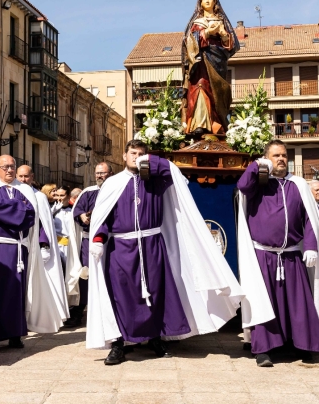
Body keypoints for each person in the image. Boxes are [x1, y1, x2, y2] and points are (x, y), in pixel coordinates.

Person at [87, 140, 243, 365]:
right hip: (121, 248)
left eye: (141, 153)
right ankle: (119, 344)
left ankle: (155, 338)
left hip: (152, 245)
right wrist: (99, 240)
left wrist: (150, 162)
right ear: (124, 156)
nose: (136, 157)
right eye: (133, 153)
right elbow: (103, 216)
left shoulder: (156, 181)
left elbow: (176, 174)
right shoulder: (112, 184)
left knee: (155, 293)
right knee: (121, 296)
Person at [237, 140, 319, 367]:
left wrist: (311, 246)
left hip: (292, 255)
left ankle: (302, 345)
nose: (281, 159)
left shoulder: (298, 184)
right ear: (267, 157)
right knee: (265, 303)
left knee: (298, 305)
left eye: (284, 155)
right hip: (263, 255)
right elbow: (243, 186)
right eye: (276, 155)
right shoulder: (258, 183)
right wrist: (258, 166)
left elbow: (310, 219)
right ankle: (264, 350)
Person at [0, 155, 62, 349]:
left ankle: (15, 334)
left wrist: (11, 209)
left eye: (12, 166)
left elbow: (30, 215)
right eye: (5, 167)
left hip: (20, 249)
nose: (9, 170)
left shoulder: (26, 191)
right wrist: (18, 209)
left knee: (17, 292)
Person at [181, 0, 240, 135]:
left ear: (215, 2)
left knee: (216, 92)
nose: (207, 1)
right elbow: (189, 41)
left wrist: (223, 34)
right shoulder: (196, 22)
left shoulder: (221, 21)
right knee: (200, 86)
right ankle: (200, 124)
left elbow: (230, 45)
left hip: (217, 61)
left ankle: (217, 124)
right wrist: (207, 33)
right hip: (200, 61)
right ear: (200, 3)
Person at [17, 165, 69, 326]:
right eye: (21, 176)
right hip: (17, 246)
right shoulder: (12, 193)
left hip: (35, 246)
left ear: (32, 176)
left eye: (26, 176)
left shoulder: (39, 197)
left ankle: (36, 317)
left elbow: (45, 224)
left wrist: (43, 244)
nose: (23, 180)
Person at [66, 162, 114, 328]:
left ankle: (111, 314)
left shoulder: (117, 190)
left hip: (112, 242)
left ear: (111, 173)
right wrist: (81, 216)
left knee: (110, 276)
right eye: (97, 173)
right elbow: (77, 211)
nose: (100, 176)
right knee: (85, 276)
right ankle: (79, 313)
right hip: (88, 241)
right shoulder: (88, 192)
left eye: (103, 173)